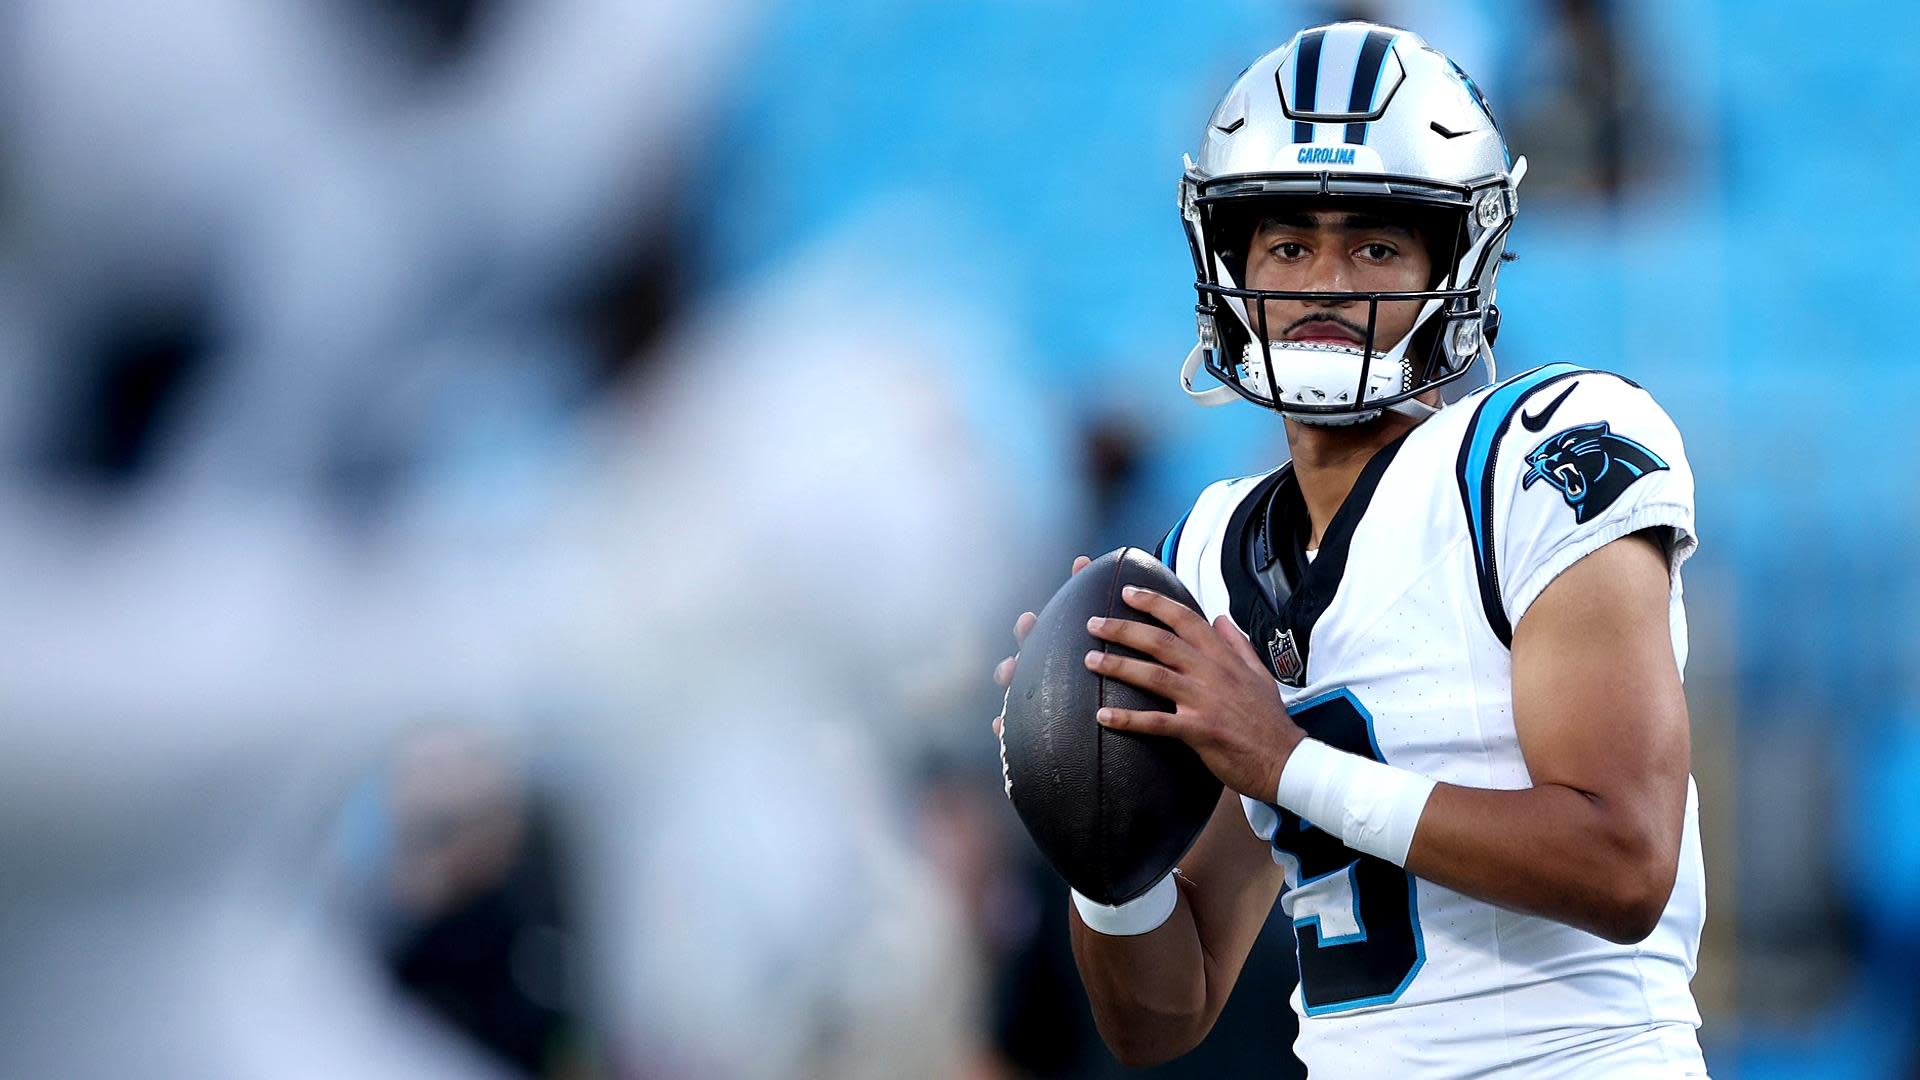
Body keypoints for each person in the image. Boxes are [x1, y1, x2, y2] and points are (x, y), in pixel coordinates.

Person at [993, 21, 1708, 1078]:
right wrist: (1100, 846)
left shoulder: (1538, 454)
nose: (1326, 280)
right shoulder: (1210, 548)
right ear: (1227, 263)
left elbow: (1623, 861)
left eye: (1374, 245)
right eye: (1288, 245)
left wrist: (1284, 760)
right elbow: (1160, 1018)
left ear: (1455, 262)